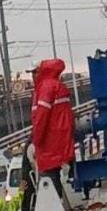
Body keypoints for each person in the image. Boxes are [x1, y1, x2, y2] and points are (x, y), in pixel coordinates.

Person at [30, 59, 75, 195]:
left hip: (49, 145)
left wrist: (35, 142)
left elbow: (41, 118)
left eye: (33, 72)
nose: (32, 76)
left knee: (48, 187)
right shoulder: (56, 85)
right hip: (59, 142)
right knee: (53, 182)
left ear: (40, 72)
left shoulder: (45, 88)